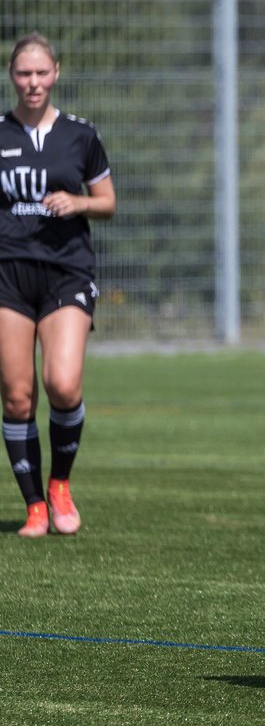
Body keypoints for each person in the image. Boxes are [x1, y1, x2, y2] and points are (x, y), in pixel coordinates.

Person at [1, 33, 116, 538]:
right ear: (12, 77)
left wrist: (78, 203)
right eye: (24, 73)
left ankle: (60, 485)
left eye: (41, 72)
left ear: (56, 73)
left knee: (63, 385)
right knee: (17, 396)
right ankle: (33, 507)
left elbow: (107, 201)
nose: (33, 82)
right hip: (8, 273)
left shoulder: (80, 135)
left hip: (67, 270)